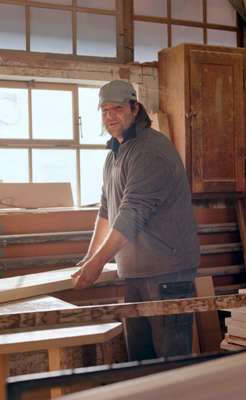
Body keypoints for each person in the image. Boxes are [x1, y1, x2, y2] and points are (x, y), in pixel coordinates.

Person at [71, 79, 200, 361]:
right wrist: (90, 256)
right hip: (135, 275)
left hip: (167, 277)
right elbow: (107, 210)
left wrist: (99, 263)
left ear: (134, 108)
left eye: (116, 108)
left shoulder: (150, 151)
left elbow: (132, 213)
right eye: (104, 110)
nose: (109, 116)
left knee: (170, 367)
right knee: (140, 362)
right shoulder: (115, 155)